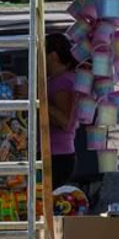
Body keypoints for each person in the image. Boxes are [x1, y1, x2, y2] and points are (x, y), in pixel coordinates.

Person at [45, 32, 81, 185]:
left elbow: (65, 121)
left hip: (57, 156)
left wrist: (38, 99)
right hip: (56, 154)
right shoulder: (59, 79)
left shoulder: (63, 82)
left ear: (52, 56)